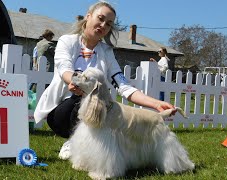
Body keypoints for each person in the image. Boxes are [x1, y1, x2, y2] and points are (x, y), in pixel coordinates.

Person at [34, 1, 176, 158]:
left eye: (108, 24)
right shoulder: (67, 41)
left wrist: (156, 104)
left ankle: (93, 144)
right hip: (61, 111)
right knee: (82, 97)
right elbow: (64, 68)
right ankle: (72, 141)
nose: (103, 25)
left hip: (96, 107)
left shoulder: (107, 52)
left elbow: (123, 85)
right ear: (88, 17)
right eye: (100, 18)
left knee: (100, 102)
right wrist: (73, 81)